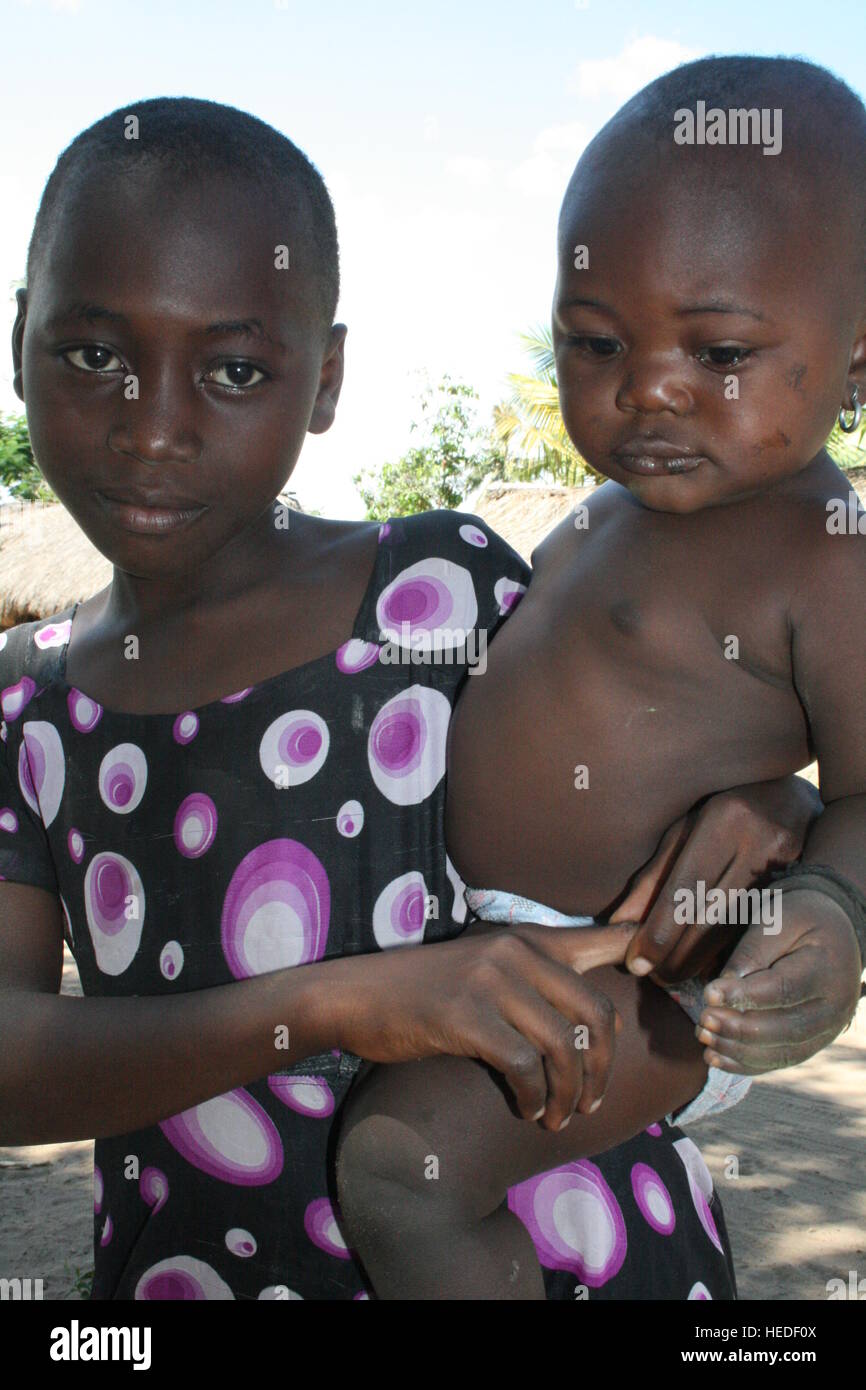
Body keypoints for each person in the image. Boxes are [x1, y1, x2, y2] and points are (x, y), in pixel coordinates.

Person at [0, 95, 857, 1303]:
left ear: (326, 379)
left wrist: (768, 800)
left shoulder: (434, 587)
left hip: (583, 1253)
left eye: (237, 367)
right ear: (20, 337)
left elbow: (661, 711)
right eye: (92, 354)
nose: (154, 429)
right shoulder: (21, 708)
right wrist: (343, 1003)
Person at [333, 54, 866, 1300]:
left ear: (855, 358)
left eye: (719, 348)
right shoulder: (598, 516)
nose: (648, 386)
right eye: (594, 341)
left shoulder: (825, 554)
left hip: (654, 976)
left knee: (400, 1166)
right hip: (495, 944)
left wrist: (832, 911)